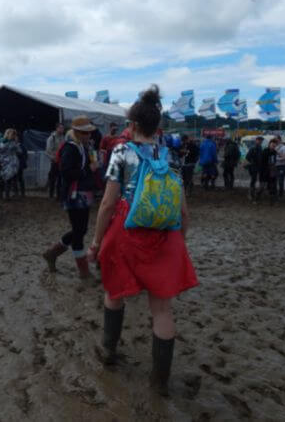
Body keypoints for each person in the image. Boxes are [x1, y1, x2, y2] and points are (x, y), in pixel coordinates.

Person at [87, 85, 198, 396]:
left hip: (126, 232)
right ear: (157, 127)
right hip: (165, 235)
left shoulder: (121, 152)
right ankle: (159, 381)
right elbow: (183, 210)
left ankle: (109, 353)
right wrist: (180, 242)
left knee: (114, 292)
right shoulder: (169, 154)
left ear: (132, 125)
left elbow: (108, 204)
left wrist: (96, 241)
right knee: (162, 311)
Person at [42, 116, 98, 279]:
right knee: (79, 231)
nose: (89, 135)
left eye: (89, 132)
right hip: (74, 194)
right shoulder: (70, 148)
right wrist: (89, 169)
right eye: (85, 132)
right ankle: (83, 271)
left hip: (82, 193)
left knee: (81, 230)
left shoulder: (82, 147)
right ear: (78, 132)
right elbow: (66, 172)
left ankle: (52, 253)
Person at [0, 128, 20, 200]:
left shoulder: (12, 142)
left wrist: (16, 144)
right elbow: (1, 150)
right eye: (12, 134)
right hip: (5, 162)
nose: (14, 136)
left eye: (14, 134)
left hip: (11, 163)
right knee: (3, 178)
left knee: (9, 178)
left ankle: (7, 195)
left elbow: (20, 151)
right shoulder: (3, 142)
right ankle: (1, 194)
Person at [46, 123, 65, 199]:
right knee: (53, 179)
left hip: (62, 161)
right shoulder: (51, 138)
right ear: (56, 128)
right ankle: (51, 195)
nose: (62, 129)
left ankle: (58, 196)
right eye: (60, 128)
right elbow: (48, 151)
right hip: (55, 161)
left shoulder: (63, 137)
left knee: (60, 179)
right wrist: (53, 158)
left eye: (62, 128)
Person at [257, 139, 278, 205]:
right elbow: (261, 162)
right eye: (272, 145)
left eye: (274, 145)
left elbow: (274, 162)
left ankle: (272, 201)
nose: (273, 146)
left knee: (272, 186)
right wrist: (261, 171)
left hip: (271, 171)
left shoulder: (274, 152)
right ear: (269, 144)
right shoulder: (265, 151)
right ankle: (257, 198)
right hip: (264, 171)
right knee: (262, 186)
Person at [245, 136, 264, 201]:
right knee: (253, 180)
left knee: (256, 179)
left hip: (259, 166)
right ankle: (250, 193)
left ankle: (255, 193)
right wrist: (252, 162)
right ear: (256, 140)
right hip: (253, 166)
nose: (260, 141)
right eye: (259, 140)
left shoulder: (260, 148)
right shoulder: (253, 148)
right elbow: (247, 157)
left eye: (261, 141)